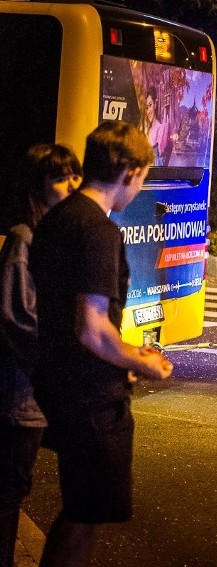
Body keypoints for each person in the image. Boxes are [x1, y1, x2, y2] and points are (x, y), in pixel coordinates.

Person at [29, 121, 174, 567]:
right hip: (88, 397)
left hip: (59, 379)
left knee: (80, 509)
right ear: (130, 171)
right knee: (85, 512)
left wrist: (120, 357)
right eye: (144, 175)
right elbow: (91, 326)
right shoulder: (99, 231)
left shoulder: (57, 219)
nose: (141, 185)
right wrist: (141, 360)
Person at [0, 144, 82, 567]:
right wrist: (62, 354)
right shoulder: (24, 238)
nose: (72, 185)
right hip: (19, 397)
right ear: (38, 187)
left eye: (75, 175)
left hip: (38, 395)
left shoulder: (54, 237)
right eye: (60, 178)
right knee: (7, 492)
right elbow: (16, 315)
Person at [141, 87, 171, 166]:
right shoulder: (147, 129)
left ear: (155, 104)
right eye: (146, 107)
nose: (149, 111)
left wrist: (165, 112)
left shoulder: (160, 128)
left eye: (150, 105)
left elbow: (162, 156)